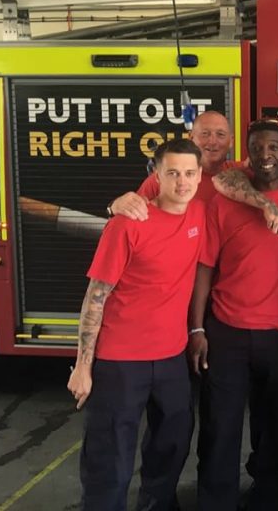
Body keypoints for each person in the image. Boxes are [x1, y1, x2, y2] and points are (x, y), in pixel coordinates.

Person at [66, 138, 205, 510]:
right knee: (109, 456)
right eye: (172, 173)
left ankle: (155, 504)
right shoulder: (127, 225)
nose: (182, 182)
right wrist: (83, 366)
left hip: (171, 357)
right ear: (156, 175)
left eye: (189, 173)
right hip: (120, 361)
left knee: (173, 440)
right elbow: (96, 297)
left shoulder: (199, 213)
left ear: (199, 176)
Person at [188, 121, 278, 510]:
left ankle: (268, 493)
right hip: (226, 332)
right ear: (247, 154)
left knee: (273, 421)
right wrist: (197, 328)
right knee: (219, 422)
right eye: (257, 147)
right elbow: (205, 268)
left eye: (273, 147)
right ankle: (215, 499)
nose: (265, 155)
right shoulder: (223, 203)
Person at [110, 110, 278, 235]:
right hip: (179, 271)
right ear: (191, 137)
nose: (212, 142)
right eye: (205, 134)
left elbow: (272, 172)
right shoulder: (164, 179)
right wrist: (114, 206)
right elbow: (128, 216)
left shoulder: (241, 172)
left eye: (220, 135)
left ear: (231, 141)